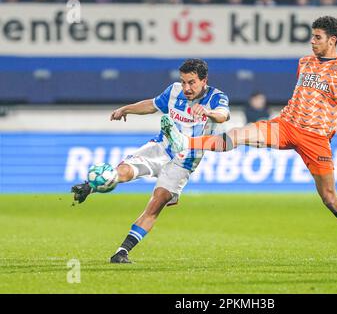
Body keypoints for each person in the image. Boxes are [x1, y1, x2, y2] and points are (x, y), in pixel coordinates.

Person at [161, 16, 337, 266]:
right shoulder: (304, 62)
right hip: (286, 126)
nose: (312, 41)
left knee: (329, 198)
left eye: (317, 37)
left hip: (315, 139)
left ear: (332, 40)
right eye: (312, 35)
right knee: (239, 135)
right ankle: (185, 142)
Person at [71, 59, 230, 263]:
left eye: (191, 82)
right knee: (125, 171)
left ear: (204, 81)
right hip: (161, 147)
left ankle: (122, 252)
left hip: (185, 161)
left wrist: (208, 112)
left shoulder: (217, 97)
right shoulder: (174, 91)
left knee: (158, 201)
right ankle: (90, 187)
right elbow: (152, 105)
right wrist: (125, 109)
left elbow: (222, 115)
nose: (186, 88)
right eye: (183, 82)